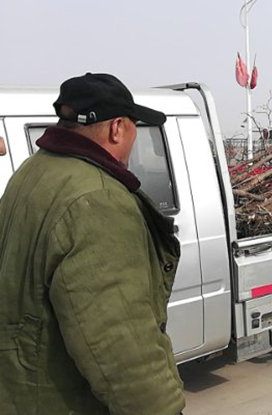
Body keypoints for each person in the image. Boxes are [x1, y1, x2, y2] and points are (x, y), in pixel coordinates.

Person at [0, 73, 185, 415]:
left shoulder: (30, 171)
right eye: (134, 127)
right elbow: (119, 343)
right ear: (117, 129)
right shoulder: (98, 198)